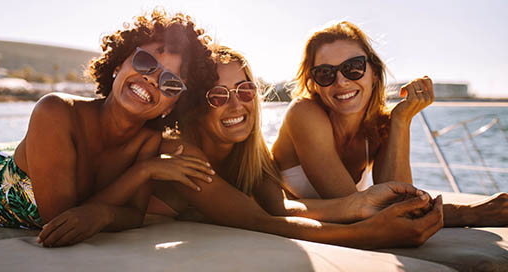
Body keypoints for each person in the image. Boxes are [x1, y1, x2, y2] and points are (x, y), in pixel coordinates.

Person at [0, 10, 217, 247]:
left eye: (171, 82)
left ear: (174, 104)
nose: (152, 79)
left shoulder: (147, 141)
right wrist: (142, 172)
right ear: (120, 63)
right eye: (146, 62)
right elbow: (61, 221)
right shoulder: (55, 110)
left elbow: (133, 215)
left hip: (24, 157)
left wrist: (113, 205)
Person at [150, 45, 444, 249]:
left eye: (245, 89)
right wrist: (368, 233)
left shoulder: (250, 153)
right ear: (193, 108)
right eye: (217, 95)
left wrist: (361, 203)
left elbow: (280, 208)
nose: (236, 104)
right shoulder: (180, 151)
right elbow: (258, 220)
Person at [271, 20, 508, 227]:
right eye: (325, 73)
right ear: (314, 83)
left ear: (374, 72)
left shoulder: (379, 126)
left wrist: (400, 120)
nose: (341, 81)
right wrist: (469, 214)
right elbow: (357, 208)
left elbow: (400, 203)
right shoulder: (304, 114)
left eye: (353, 68)